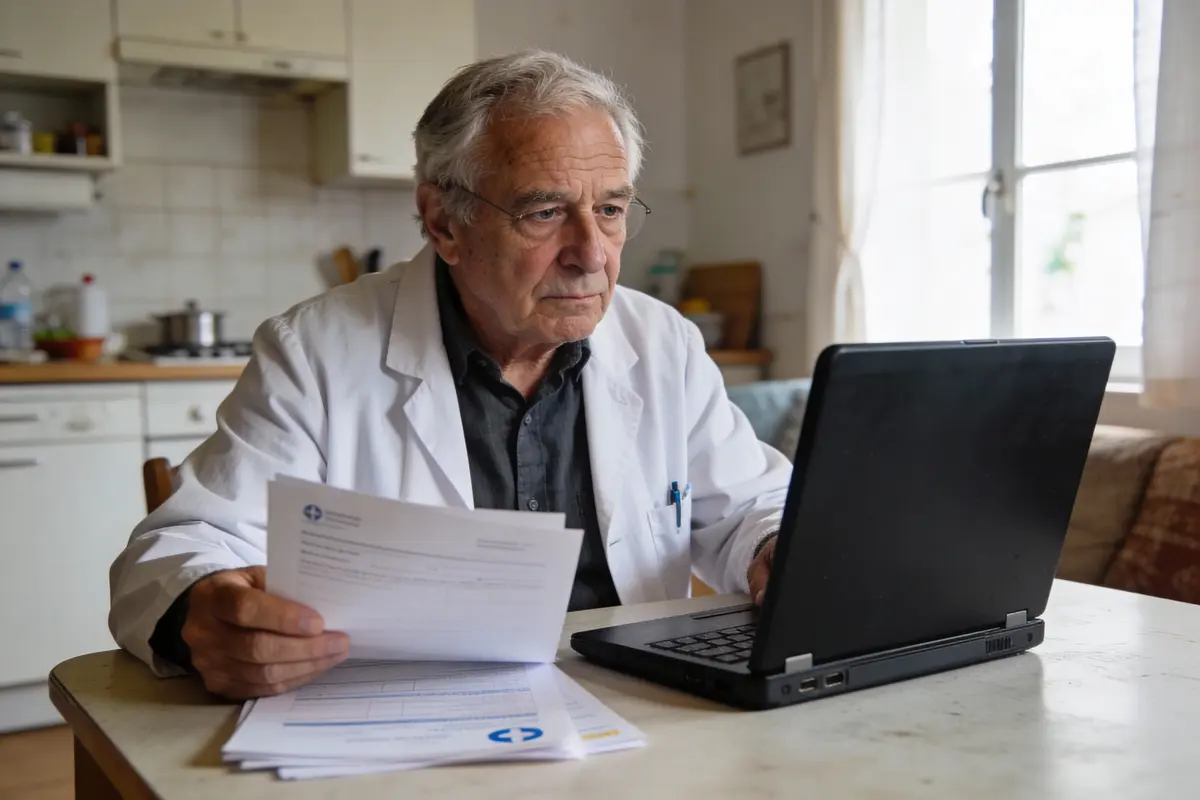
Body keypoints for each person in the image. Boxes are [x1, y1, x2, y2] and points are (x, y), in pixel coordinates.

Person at [108, 50, 792, 700]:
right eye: (545, 212)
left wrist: (774, 547)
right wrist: (204, 611)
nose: (591, 253)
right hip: (409, 717)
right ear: (443, 223)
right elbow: (182, 547)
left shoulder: (663, 342)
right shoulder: (315, 350)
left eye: (610, 209)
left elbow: (748, 507)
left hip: (637, 707)